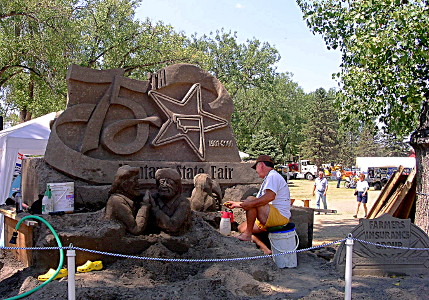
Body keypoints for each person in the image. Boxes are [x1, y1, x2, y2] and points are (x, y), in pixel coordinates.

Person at [223, 155, 291, 254]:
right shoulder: (269, 178)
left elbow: (269, 197)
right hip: (269, 215)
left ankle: (247, 234)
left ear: (261, 165)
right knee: (241, 227)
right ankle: (265, 249)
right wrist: (236, 204)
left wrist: (249, 203)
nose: (256, 171)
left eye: (256, 168)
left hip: (279, 216)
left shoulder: (273, 176)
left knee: (251, 199)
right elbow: (258, 201)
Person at [104, 165, 150, 235]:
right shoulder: (117, 201)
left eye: (137, 180)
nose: (138, 184)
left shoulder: (127, 200)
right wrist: (145, 205)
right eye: (134, 180)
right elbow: (135, 229)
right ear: (124, 185)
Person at [148, 168, 192, 235]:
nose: (164, 185)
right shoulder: (153, 198)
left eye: (169, 183)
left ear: (176, 187)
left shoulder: (183, 203)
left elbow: (173, 226)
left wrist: (155, 210)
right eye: (162, 182)